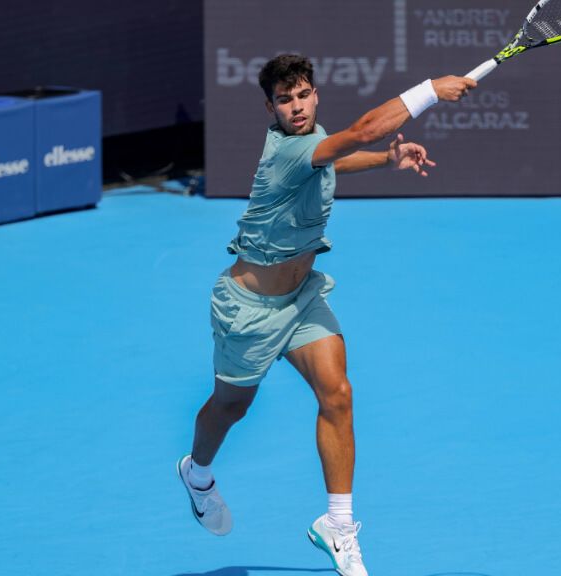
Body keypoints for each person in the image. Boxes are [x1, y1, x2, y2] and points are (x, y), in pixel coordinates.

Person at [176, 54, 476, 576]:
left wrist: (386, 160)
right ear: (270, 107)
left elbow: (337, 158)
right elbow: (362, 132)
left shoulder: (314, 143)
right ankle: (197, 473)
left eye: (302, 95)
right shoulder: (289, 151)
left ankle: (338, 524)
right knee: (230, 408)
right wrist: (430, 89)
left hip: (303, 298)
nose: (296, 106)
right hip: (250, 310)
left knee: (337, 393)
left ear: (315, 95)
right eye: (284, 100)